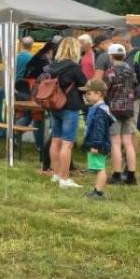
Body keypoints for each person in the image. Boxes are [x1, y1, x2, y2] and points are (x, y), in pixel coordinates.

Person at [42, 36, 87, 189]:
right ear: (75, 50)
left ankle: (56, 174)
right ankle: (65, 178)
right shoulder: (74, 67)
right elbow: (84, 85)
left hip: (54, 105)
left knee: (56, 140)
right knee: (67, 144)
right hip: (70, 107)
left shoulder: (52, 66)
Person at [103, 42, 140, 185]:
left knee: (115, 143)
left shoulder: (110, 72)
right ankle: (131, 176)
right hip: (129, 109)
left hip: (114, 110)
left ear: (111, 56)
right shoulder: (131, 72)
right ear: (124, 56)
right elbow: (135, 87)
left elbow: (104, 90)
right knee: (128, 142)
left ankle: (117, 175)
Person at [21, 36, 57, 173]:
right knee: (37, 119)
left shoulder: (36, 58)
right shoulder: (44, 62)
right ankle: (41, 147)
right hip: (36, 92)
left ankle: (15, 136)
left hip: (27, 90)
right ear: (51, 51)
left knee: (28, 116)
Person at [80, 77, 113, 200]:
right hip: (96, 143)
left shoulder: (100, 111)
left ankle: (98, 193)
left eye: (89, 93)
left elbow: (99, 129)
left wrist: (96, 145)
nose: (86, 96)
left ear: (98, 94)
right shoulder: (96, 108)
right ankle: (96, 190)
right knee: (98, 167)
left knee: (100, 169)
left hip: (98, 144)